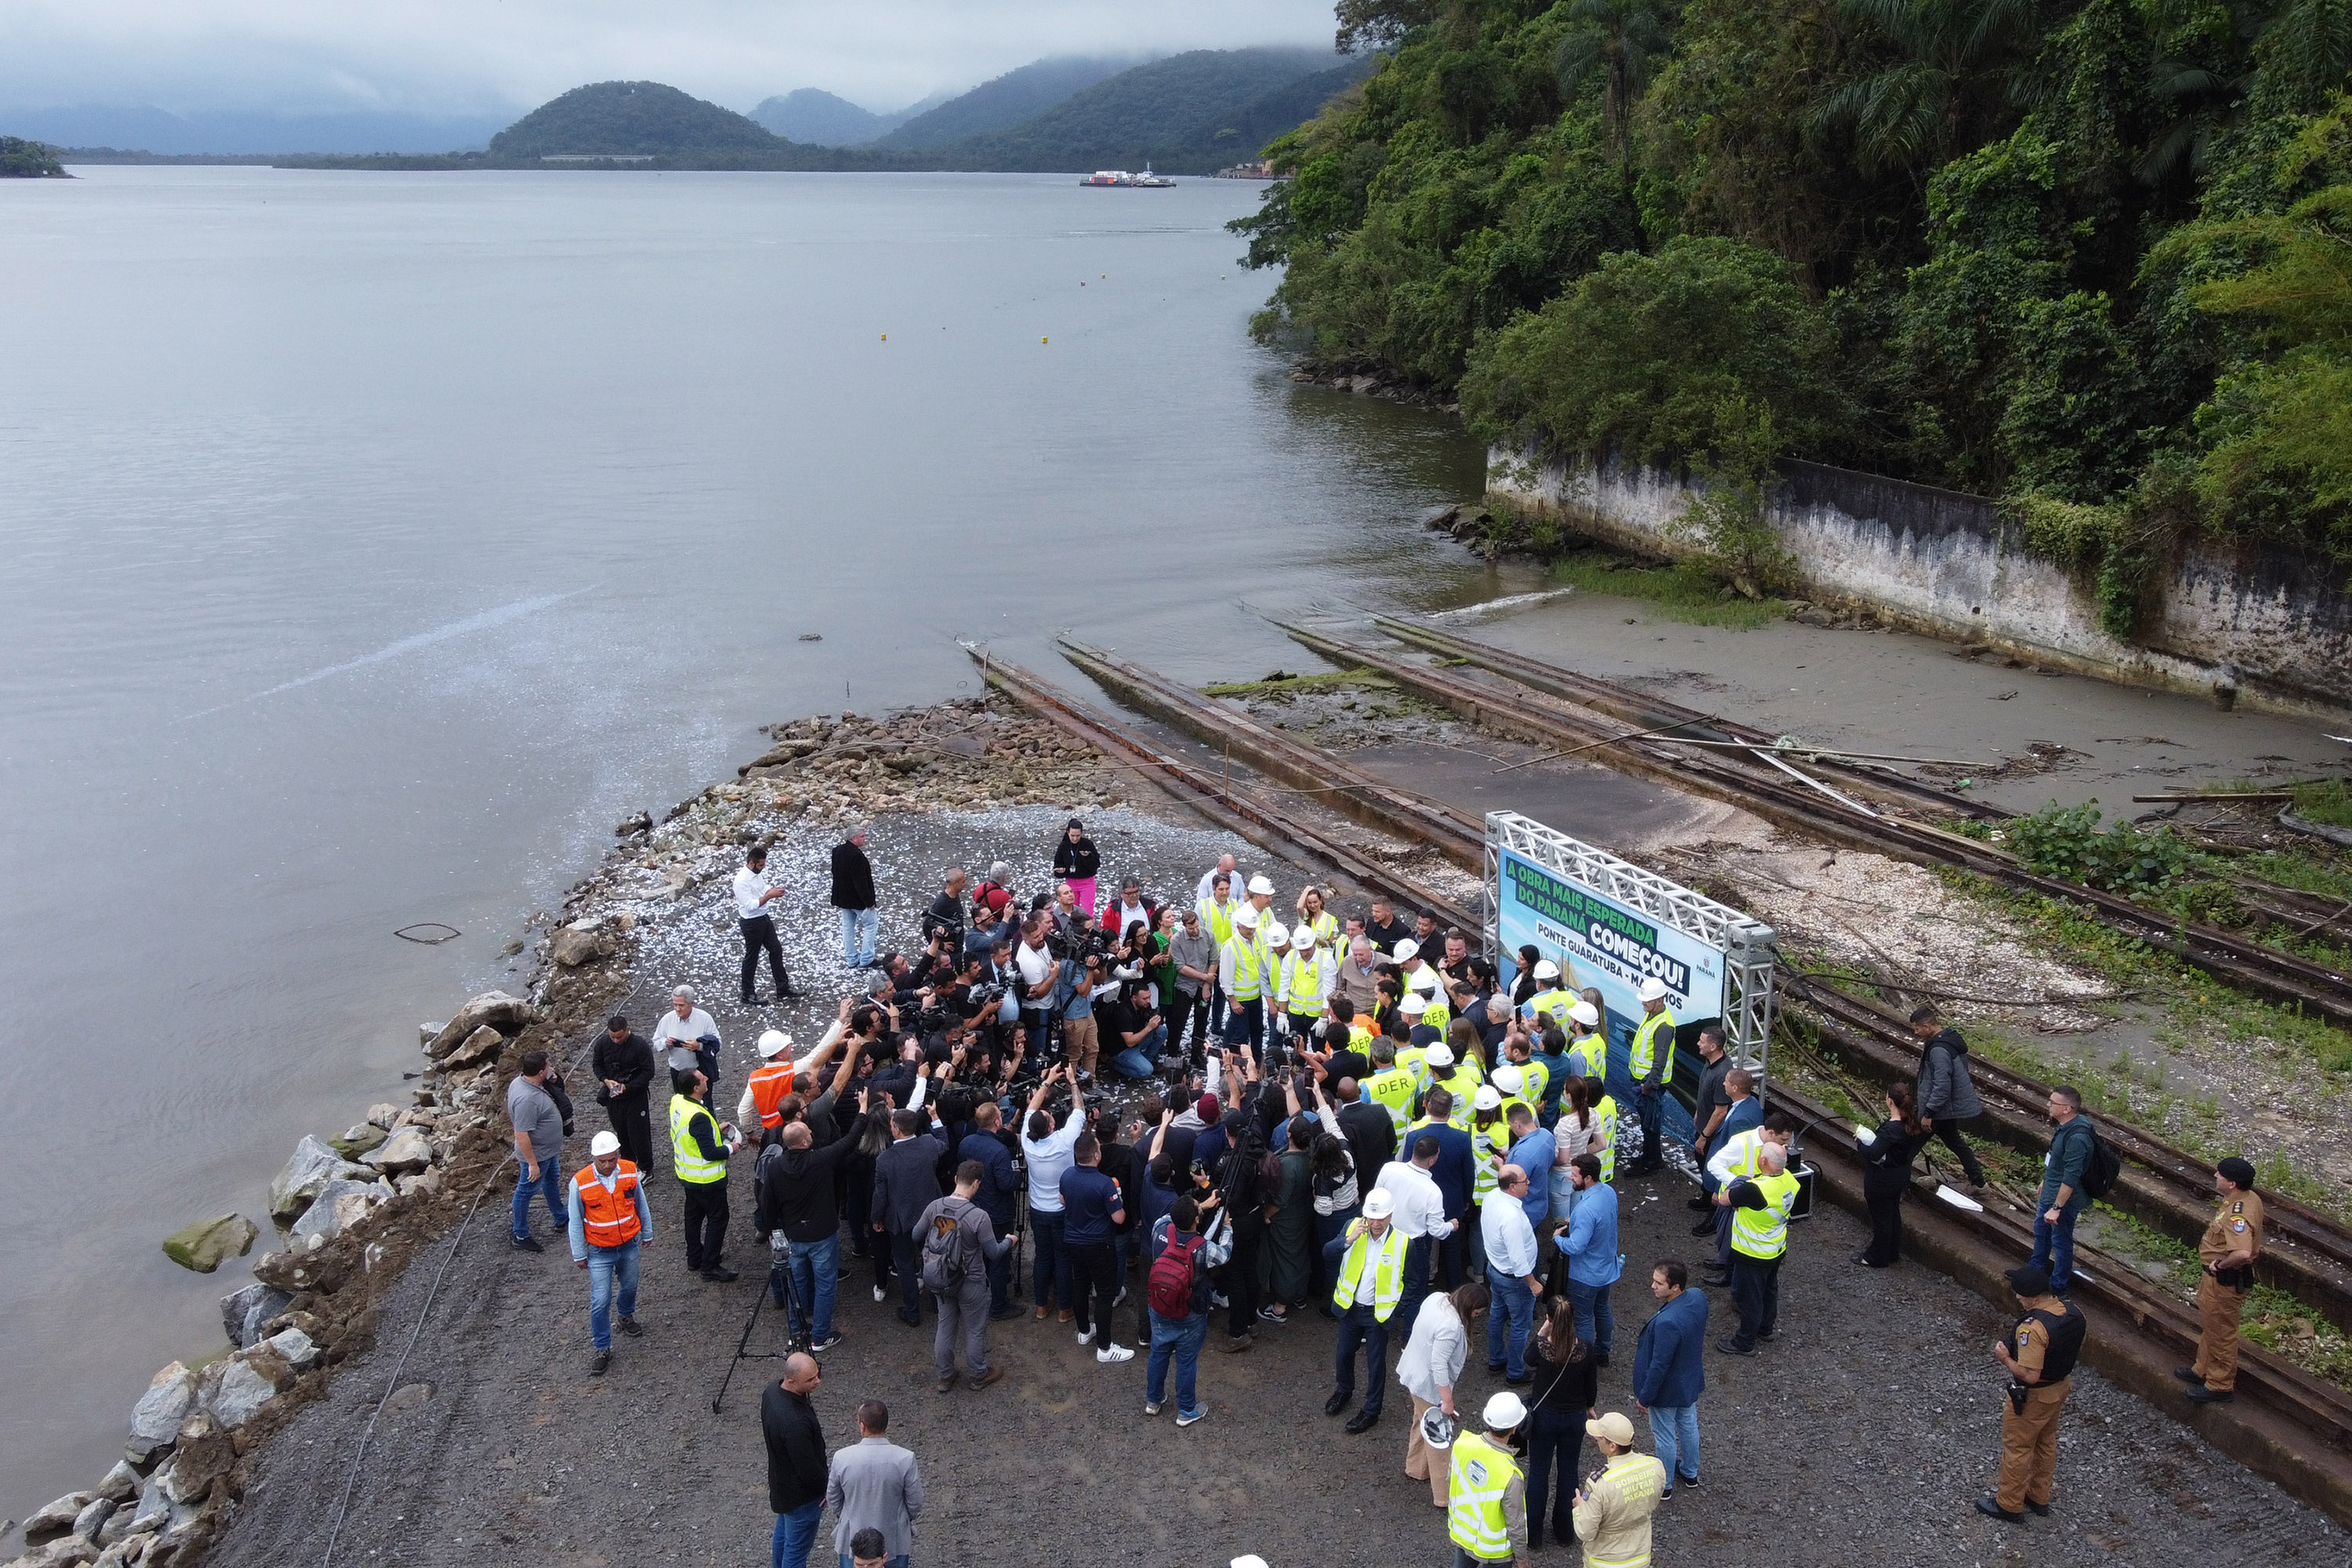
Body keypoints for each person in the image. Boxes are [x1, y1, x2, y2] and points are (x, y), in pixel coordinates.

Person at [758, 1091, 872, 1353]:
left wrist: (775, 1228)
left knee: (795, 1285)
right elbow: (850, 1140)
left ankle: (797, 1332)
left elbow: (768, 1204)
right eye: (808, 1134)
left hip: (794, 1236)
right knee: (825, 1285)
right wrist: (863, 1109)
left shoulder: (775, 1168)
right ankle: (820, 1335)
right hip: (822, 1236)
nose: (812, 1134)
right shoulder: (820, 1160)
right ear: (803, 1141)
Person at [1977, 1264, 2086, 1523]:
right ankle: (2039, 1497)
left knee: (2017, 1447)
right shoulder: (2074, 1312)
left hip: (2034, 1395)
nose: (2017, 1297)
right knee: (2046, 1442)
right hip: (2060, 1387)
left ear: (2033, 1296)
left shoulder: (2032, 1329)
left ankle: (2009, 1504)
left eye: (2020, 1294)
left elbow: (2029, 1374)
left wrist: (2005, 1358)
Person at [917, 1160, 1016, 1392]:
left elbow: (916, 1233)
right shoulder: (979, 1216)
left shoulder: (934, 1207)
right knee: (974, 1329)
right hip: (971, 1281)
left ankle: (944, 1375)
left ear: (955, 1180)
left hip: (941, 1277)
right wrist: (1008, 1242)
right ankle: (978, 1374)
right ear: (977, 1184)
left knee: (945, 1325)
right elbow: (993, 1252)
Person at [1324, 1188, 1410, 1433]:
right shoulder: (1352, 1228)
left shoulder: (1403, 1242)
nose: (1375, 1223)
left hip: (1377, 1315)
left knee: (1376, 1364)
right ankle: (1344, 1391)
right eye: (1372, 1218)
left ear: (1391, 1216)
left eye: (1381, 1218)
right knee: (1343, 1354)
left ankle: (1372, 1411)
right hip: (1350, 1309)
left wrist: (1396, 1311)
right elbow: (1328, 1254)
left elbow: (1412, 1283)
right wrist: (1349, 1240)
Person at [2182, 1156, 2265, 1404]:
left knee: (2221, 1333)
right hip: (2219, 1281)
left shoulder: (2237, 1213)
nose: (2216, 1177)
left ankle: (2220, 1384)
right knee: (2212, 1325)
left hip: (2224, 1281)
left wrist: (2220, 1264)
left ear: (2232, 1183)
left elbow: (2242, 1252)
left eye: (2220, 1175)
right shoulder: (2247, 1199)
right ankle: (2203, 1370)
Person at [566, 1129, 651, 1374]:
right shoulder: (580, 1182)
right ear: (594, 1159)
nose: (607, 1165)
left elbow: (640, 1203)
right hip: (599, 1251)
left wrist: (647, 1232)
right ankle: (602, 1346)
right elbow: (575, 1220)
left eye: (611, 1159)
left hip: (628, 1245)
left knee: (630, 1286)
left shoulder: (628, 1171)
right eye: (602, 1161)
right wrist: (579, 1253)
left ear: (618, 1155)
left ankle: (625, 1315)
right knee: (600, 1300)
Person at [1399, 1279, 1487, 1507]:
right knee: (1438, 1440)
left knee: (1421, 1422)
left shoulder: (1437, 1298)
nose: (1477, 1317)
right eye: (1477, 1313)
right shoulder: (1451, 1326)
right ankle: (1444, 1496)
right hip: (1428, 1386)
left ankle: (1416, 1468)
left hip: (1413, 1375)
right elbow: (1438, 1364)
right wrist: (1447, 1401)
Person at [1523, 1298, 1599, 1552]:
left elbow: (1528, 1357)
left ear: (1550, 1319)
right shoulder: (1586, 1350)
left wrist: (1544, 1329)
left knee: (1538, 1473)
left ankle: (1533, 1535)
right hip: (1574, 1418)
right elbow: (1591, 1388)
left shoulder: (1544, 1348)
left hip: (1545, 1417)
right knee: (1569, 1473)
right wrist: (1589, 1407)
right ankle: (1565, 1531)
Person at [1145, 1193, 1229, 1426]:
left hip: (1159, 1305)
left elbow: (1174, 1217)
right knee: (1186, 1362)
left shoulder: (1160, 1226)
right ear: (1197, 1221)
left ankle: (1153, 1401)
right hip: (1190, 1313)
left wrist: (1199, 1206)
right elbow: (1225, 1255)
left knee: (1158, 1352)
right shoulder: (1204, 1249)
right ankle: (1187, 1409)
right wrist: (1229, 1227)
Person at [1632, 1259, 1706, 1497]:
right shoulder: (1697, 1297)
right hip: (1689, 1381)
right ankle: (1691, 1472)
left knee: (1664, 1436)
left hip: (1667, 1391)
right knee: (1688, 1425)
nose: (1652, 1286)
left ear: (1675, 1287)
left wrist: (1645, 1397)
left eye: (1659, 1283)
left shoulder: (1667, 1323)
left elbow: (1659, 1366)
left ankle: (1664, 1485)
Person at [1716, 1140, 1798, 1354]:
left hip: (1752, 1253)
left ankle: (1744, 1342)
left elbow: (1726, 1199)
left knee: (1750, 1298)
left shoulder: (1754, 1190)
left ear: (1763, 1160)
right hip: (1775, 1249)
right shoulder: (1788, 1179)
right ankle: (1765, 1328)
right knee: (1769, 1290)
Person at [1061, 1130, 1135, 1362]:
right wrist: (1119, 1202)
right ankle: (1104, 1347)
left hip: (1073, 1241)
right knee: (1104, 1294)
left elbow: (1062, 1200)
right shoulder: (1105, 1184)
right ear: (1095, 1155)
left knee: (1080, 1285)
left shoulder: (1066, 1176)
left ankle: (1084, 1331)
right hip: (1099, 1245)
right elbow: (1119, 1219)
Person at [1019, 1065, 1086, 1320]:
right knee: (1062, 1258)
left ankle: (1040, 1304)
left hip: (1037, 1209)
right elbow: (1079, 1109)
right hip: (1060, 1210)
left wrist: (1047, 1082)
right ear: (1050, 1126)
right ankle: (1065, 1308)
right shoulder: (1063, 1141)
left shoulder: (1028, 1139)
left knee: (1042, 1256)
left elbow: (1030, 1110)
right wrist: (1072, 1082)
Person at [826, 1399, 923, 1568]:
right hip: (894, 1541)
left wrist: (848, 1515)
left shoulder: (842, 1457)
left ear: (862, 1426)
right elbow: (915, 1502)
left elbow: (833, 1498)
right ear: (886, 1424)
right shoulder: (905, 1458)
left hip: (852, 1539)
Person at [1701, 1109, 1791, 1287]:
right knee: (1730, 1239)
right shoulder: (1741, 1143)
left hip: (1750, 1203)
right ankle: (1728, 1273)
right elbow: (1714, 1164)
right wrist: (1737, 1183)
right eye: (1783, 1140)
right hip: (1736, 1201)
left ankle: (1726, 1267)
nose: (1785, 1146)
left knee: (1735, 1240)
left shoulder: (1773, 1146)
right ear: (1771, 1133)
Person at [873, 1109, 946, 1327]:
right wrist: (935, 1116)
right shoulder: (928, 1144)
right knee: (933, 1258)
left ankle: (912, 1311)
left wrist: (876, 1219)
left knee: (905, 1264)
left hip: (900, 1219)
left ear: (895, 1129)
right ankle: (937, 1303)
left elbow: (880, 1195)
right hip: (931, 1214)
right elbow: (944, 1140)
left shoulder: (885, 1159)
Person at [1446, 1391, 1530, 1568]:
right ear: (1515, 1428)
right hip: (1495, 1552)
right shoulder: (1510, 1474)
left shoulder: (1462, 1445)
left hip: (1463, 1534)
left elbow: (1450, 1479)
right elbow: (1515, 1524)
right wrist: (1522, 1559)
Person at [671, 1067, 739, 1281]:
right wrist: (732, 1148)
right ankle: (710, 1265)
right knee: (718, 1220)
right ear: (695, 1088)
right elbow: (710, 1153)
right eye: (702, 1079)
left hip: (688, 1176)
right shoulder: (698, 1116)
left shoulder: (678, 1102)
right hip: (707, 1179)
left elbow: (691, 1135)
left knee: (693, 1217)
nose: (707, 1079)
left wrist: (714, 1130)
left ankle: (694, 1257)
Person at [1570, 1412, 1664, 1568]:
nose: (1596, 1440)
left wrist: (1579, 1509)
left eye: (1600, 1438)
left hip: (1605, 1562)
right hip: (1640, 1558)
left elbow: (1585, 1532)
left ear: (1613, 1446)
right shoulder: (1655, 1466)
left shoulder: (1599, 1484)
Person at [956, 1102, 1022, 1319]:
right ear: (997, 1122)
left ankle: (977, 1298)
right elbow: (1006, 1183)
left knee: (977, 1255)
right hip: (997, 1214)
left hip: (972, 1208)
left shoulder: (966, 1143)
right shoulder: (1000, 1151)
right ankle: (998, 1306)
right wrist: (1018, 1175)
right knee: (999, 1258)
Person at [1912, 1004, 1988, 1189]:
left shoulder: (1938, 1050)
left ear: (1927, 1027)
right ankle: (1979, 1183)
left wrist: (1929, 1112)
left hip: (1938, 1109)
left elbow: (1942, 1085)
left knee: (1910, 1143)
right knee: (1955, 1142)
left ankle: (1894, 1179)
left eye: (1917, 1029)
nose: (1915, 1033)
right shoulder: (1950, 1039)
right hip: (1947, 1108)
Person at [763, 1352, 828, 1568]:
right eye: (810, 1379)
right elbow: (809, 1470)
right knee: (797, 1552)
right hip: (803, 1499)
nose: (817, 1381)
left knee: (783, 1537)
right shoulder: (796, 1425)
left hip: (783, 1487)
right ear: (792, 1380)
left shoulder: (772, 1392)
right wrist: (827, 1489)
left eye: (817, 1374)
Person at [1554, 1155, 1620, 1363]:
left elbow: (1575, 1246)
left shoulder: (1585, 1209)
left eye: (1574, 1174)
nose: (1570, 1178)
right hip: (1606, 1269)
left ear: (1588, 1177)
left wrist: (1558, 1240)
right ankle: (1602, 1351)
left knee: (1582, 1319)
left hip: (1584, 1276)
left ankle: (1585, 1359)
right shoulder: (1608, 1192)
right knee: (1602, 1309)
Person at [504, 1049, 570, 1253]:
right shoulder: (526, 1099)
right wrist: (532, 1163)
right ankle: (520, 1234)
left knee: (552, 1179)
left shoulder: (525, 1082)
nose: (551, 1067)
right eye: (548, 1065)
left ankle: (561, 1217)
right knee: (526, 1191)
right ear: (541, 1071)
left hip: (547, 1152)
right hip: (537, 1155)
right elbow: (521, 1134)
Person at [1483, 1164, 1544, 1381]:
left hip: (1495, 1269)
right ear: (1511, 1187)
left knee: (1497, 1315)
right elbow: (1518, 1260)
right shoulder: (1512, 1218)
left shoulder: (1492, 1197)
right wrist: (1533, 1283)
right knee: (1521, 1324)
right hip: (1514, 1279)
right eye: (1524, 1181)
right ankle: (1516, 1372)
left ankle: (1496, 1359)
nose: (1528, 1183)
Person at [2031, 1086, 2094, 1295]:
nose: (2048, 1105)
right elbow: (2056, 1160)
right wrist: (2045, 1180)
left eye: (2053, 1102)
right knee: (2041, 1232)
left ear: (2067, 1108)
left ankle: (2058, 1286)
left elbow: (2071, 1177)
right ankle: (2035, 1274)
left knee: (2061, 1242)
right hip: (2050, 1192)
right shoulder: (2064, 1126)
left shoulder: (2077, 1138)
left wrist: (2057, 1207)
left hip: (2063, 1201)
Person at [1859, 1083, 1926, 1268]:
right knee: (1893, 1213)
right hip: (1900, 1175)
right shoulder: (1911, 1125)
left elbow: (1874, 1153)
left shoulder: (1890, 1130)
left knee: (1881, 1219)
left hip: (1882, 1180)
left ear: (1890, 1101)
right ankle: (1893, 1251)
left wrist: (1860, 1144)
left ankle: (1877, 1257)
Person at [591, 1014, 656, 1174]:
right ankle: (629, 1165)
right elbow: (597, 1065)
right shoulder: (602, 1044)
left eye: (619, 1037)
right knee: (622, 1133)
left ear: (628, 1030)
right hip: (614, 1098)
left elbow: (649, 1072)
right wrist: (606, 1080)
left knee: (639, 1134)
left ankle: (647, 1169)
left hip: (636, 1097)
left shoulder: (640, 1046)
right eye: (612, 1037)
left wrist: (628, 1087)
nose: (616, 1041)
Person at [1625, 978, 1676, 1176]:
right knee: (1647, 1124)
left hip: (1651, 1085)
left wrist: (1648, 1086)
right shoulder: (1654, 1015)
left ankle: (1651, 1162)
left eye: (1647, 1000)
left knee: (1651, 1125)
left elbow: (1659, 1061)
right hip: (1644, 1082)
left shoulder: (1663, 1026)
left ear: (1660, 1000)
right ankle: (1651, 1157)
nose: (1643, 1002)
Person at [736, 847, 797, 1004]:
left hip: (763, 918)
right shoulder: (741, 881)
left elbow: (762, 891)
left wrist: (771, 891)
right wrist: (769, 896)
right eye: (761, 865)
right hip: (751, 922)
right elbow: (750, 905)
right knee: (752, 957)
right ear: (751, 863)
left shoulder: (757, 875)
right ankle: (747, 993)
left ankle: (782, 987)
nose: (763, 868)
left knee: (776, 949)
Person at [1684, 1028, 1732, 1215]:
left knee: (1711, 1170)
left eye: (1702, 1041)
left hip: (1713, 1135)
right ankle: (1706, 1199)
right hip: (1704, 1126)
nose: (1698, 1043)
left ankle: (1713, 1215)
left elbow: (1721, 1111)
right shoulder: (1709, 1062)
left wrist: (1704, 1136)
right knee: (1703, 1165)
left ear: (1713, 1046)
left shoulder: (1722, 1074)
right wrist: (1698, 1112)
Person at [1167, 906, 1217, 1063]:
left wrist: (1207, 984)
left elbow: (1214, 959)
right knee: (1178, 1021)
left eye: (1196, 927)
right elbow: (1181, 967)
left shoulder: (1208, 935)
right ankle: (1173, 1053)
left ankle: (1197, 1054)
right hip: (1185, 987)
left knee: (1201, 1021)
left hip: (1204, 987)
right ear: (1185, 926)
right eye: (1191, 929)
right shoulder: (1176, 940)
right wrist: (1205, 977)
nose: (1195, 931)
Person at [653, 985, 722, 1094]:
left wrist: (699, 1046)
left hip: (700, 1071)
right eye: (675, 1005)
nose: (677, 1009)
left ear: (692, 1004)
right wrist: (664, 1043)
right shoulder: (667, 1020)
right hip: (677, 1072)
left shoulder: (705, 1019)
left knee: (704, 1105)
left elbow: (718, 1043)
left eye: (681, 1005)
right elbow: (656, 1043)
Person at [830, 827, 879, 970]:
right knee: (871, 925)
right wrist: (869, 902)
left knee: (848, 928)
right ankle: (866, 959)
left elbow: (835, 872)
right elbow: (861, 882)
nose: (865, 838)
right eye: (862, 836)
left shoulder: (837, 850)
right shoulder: (857, 856)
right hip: (857, 900)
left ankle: (851, 959)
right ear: (853, 838)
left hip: (842, 898)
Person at [1052, 818, 1100, 918]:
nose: (1075, 839)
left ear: (1081, 833)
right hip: (1070, 883)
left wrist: (1087, 857)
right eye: (1072, 836)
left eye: (1078, 836)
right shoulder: (1064, 846)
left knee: (1087, 912)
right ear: (1068, 832)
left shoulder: (1087, 844)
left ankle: (1088, 931)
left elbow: (1096, 865)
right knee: (1072, 911)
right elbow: (1057, 865)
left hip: (1087, 882)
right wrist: (1060, 871)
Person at [921, 866, 968, 955]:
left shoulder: (955, 895)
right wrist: (940, 945)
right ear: (955, 884)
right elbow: (927, 925)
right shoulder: (942, 902)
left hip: (957, 946)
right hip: (949, 952)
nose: (966, 884)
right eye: (963, 882)